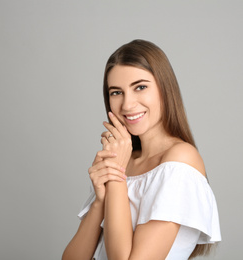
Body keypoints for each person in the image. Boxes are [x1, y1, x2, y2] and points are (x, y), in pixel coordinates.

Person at [62, 40, 221, 260]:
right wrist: (100, 201)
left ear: (165, 89)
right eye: (116, 92)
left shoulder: (180, 160)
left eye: (140, 87)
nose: (127, 105)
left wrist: (116, 178)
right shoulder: (122, 159)